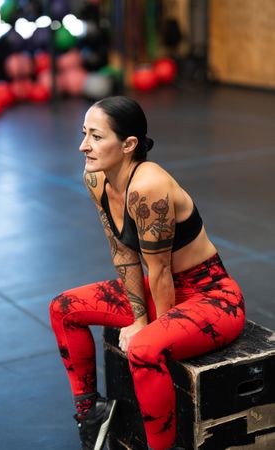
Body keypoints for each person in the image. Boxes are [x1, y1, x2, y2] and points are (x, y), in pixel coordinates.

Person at [49, 96, 245, 450]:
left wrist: (149, 329)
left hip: (210, 296)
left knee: (143, 348)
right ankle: (91, 413)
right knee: (63, 308)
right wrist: (140, 315)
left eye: (96, 137)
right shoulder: (97, 180)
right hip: (160, 289)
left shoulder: (148, 187)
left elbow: (160, 271)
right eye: (84, 134)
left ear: (128, 145)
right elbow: (123, 252)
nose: (83, 146)